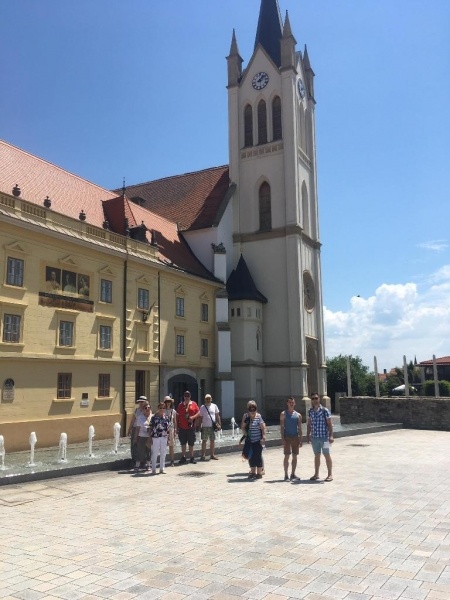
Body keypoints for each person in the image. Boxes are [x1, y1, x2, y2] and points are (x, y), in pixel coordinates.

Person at [307, 392, 334, 482]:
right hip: (315, 437)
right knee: (316, 455)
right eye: (313, 398)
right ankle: (316, 474)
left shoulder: (324, 410)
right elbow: (309, 424)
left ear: (319, 399)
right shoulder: (310, 411)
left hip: (324, 437)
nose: (314, 400)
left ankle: (330, 474)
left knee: (327, 455)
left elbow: (330, 424)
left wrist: (331, 436)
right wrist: (308, 435)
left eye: (316, 398)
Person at [241, 401, 266, 480]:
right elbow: (243, 427)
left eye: (254, 409)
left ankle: (259, 473)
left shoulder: (259, 416)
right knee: (250, 456)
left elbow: (262, 427)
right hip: (250, 441)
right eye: (250, 409)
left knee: (258, 456)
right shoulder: (246, 417)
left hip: (257, 441)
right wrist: (246, 435)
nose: (252, 411)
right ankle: (252, 472)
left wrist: (263, 437)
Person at [280, 396, 303, 481]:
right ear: (287, 403)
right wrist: (282, 438)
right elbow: (282, 427)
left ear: (295, 403)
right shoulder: (283, 414)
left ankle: (293, 474)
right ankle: (286, 475)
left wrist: (301, 439)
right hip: (287, 437)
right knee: (286, 456)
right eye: (290, 402)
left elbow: (300, 428)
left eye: (292, 402)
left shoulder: (298, 415)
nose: (291, 404)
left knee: (295, 456)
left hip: (295, 437)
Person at [176, 391, 200, 464]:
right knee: (183, 443)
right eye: (185, 396)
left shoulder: (193, 404)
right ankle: (183, 457)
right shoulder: (180, 405)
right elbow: (177, 416)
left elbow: (198, 412)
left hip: (191, 427)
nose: (187, 397)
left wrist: (193, 417)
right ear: (183, 397)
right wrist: (177, 427)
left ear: (190, 396)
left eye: (188, 396)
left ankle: (192, 457)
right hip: (182, 427)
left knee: (191, 443)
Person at [149, 401, 171, 474]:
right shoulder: (154, 417)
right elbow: (151, 428)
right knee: (155, 453)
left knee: (163, 453)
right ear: (158, 408)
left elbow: (168, 429)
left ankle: (162, 468)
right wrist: (150, 438)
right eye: (160, 408)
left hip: (164, 437)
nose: (162, 409)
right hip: (155, 437)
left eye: (163, 408)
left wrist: (168, 439)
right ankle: (154, 469)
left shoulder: (166, 417)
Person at [199, 394, 221, 461]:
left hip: (212, 426)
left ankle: (212, 455)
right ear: (205, 399)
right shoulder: (202, 407)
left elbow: (217, 416)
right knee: (204, 441)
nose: (208, 400)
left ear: (211, 399)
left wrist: (219, 424)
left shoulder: (214, 406)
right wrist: (200, 425)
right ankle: (203, 455)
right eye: (207, 399)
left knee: (212, 441)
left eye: (209, 398)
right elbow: (200, 417)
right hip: (205, 426)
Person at [128, 396, 148, 463]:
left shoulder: (147, 410)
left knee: (143, 446)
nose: (141, 403)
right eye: (140, 402)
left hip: (143, 430)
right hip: (135, 428)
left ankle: (143, 461)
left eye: (142, 402)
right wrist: (129, 429)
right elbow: (133, 420)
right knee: (134, 444)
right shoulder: (136, 410)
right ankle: (134, 460)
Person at [133, 403, 152, 472]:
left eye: (148, 408)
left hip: (150, 437)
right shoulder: (140, 417)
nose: (147, 409)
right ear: (143, 410)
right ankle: (137, 465)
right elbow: (137, 428)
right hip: (141, 436)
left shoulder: (152, 417)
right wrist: (135, 438)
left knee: (148, 451)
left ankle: (148, 465)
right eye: (145, 408)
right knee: (140, 451)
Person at [163, 396, 177, 466]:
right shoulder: (163, 410)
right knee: (163, 446)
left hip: (171, 429)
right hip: (164, 430)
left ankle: (172, 461)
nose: (168, 403)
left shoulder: (173, 411)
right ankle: (163, 461)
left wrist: (175, 430)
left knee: (171, 446)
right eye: (166, 402)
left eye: (169, 402)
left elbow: (175, 422)